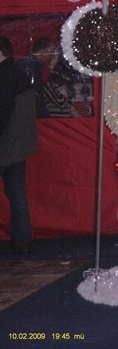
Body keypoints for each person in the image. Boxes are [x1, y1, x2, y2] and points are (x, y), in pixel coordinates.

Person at [0, 36, 37, 253]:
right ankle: (22, 240)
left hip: (5, 145)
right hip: (19, 146)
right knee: (17, 195)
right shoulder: (20, 74)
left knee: (16, 195)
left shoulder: (4, 76)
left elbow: (2, 114)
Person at [17, 37, 55, 118]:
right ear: (42, 52)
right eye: (51, 53)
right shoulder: (30, 67)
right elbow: (35, 96)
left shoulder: (29, 64)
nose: (52, 57)